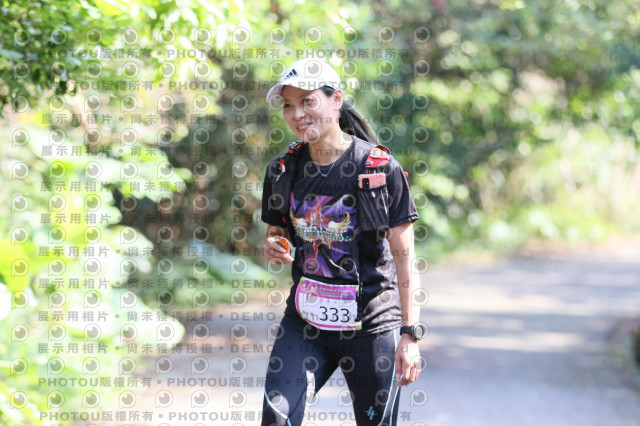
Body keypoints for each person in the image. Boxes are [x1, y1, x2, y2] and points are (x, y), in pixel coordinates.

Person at [260, 57, 425, 426]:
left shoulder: (379, 170)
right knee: (277, 416)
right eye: (288, 105)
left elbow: (404, 258)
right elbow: (277, 233)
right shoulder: (282, 170)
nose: (297, 114)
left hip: (371, 328)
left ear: (336, 100)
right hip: (305, 324)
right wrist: (273, 245)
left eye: (308, 101)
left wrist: (409, 335)